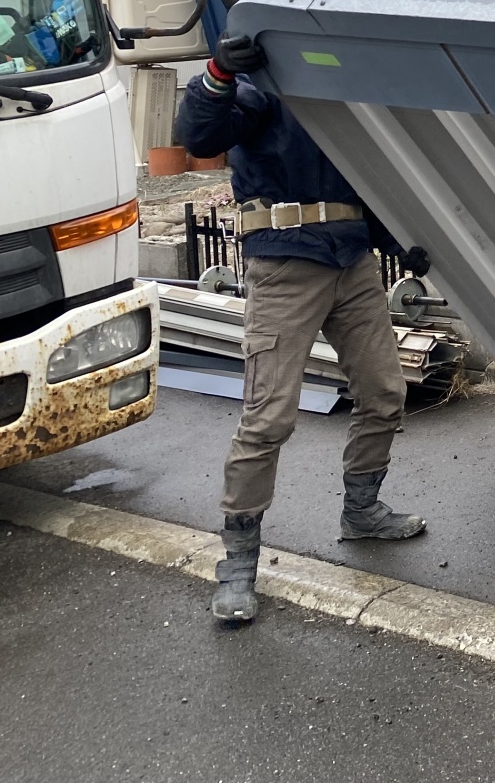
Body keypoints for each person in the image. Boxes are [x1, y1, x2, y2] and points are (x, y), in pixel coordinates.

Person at [176, 31, 432, 625]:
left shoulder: (347, 94)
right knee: (268, 418)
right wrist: (217, 72)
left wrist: (398, 245)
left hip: (351, 262)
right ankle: (237, 564)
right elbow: (201, 135)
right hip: (286, 264)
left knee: (385, 391)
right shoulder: (263, 87)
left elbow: (366, 185)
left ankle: (361, 512)